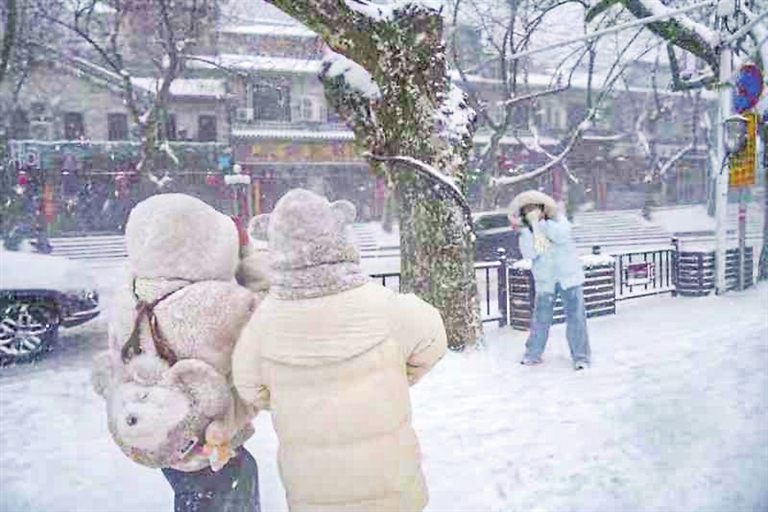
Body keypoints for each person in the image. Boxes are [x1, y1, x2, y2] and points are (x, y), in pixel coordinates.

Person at [233, 188, 448, 512]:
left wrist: (290, 397)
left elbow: (249, 384)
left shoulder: (265, 321)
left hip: (313, 491)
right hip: (389, 485)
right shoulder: (382, 304)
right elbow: (433, 337)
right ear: (338, 233)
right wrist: (399, 374)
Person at [509, 190, 591, 370]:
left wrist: (541, 225)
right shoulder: (526, 232)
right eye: (528, 210)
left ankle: (581, 357)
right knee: (541, 319)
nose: (532, 212)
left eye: (535, 208)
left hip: (568, 277)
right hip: (546, 281)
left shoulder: (558, 221)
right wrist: (530, 229)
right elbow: (530, 253)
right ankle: (533, 353)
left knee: (576, 318)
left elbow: (561, 236)